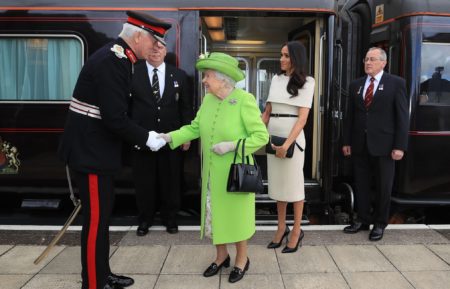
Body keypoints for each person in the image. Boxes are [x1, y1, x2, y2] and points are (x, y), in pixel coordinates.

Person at [58, 11, 171, 289]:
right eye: (153, 41)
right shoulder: (114, 60)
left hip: (97, 152)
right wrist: (147, 138)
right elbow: (114, 117)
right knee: (96, 223)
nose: (157, 47)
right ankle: (94, 283)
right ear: (137, 36)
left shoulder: (121, 58)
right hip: (92, 155)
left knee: (102, 220)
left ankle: (102, 274)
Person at [158, 52, 268, 283]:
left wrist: (231, 146)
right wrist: (169, 137)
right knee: (214, 216)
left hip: (235, 175)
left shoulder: (244, 100)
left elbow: (261, 137)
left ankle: (242, 260)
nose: (204, 81)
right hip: (210, 173)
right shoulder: (208, 100)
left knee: (237, 218)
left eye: (207, 76)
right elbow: (195, 127)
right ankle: (221, 257)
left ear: (222, 78)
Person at [342, 47, 409, 241]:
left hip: (386, 146)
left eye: (372, 59)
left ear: (383, 63)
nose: (368, 63)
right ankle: (362, 219)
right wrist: (346, 141)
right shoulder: (356, 84)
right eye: (366, 59)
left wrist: (400, 146)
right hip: (359, 144)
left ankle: (380, 223)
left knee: (383, 186)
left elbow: (402, 118)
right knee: (361, 183)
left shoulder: (396, 84)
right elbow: (350, 117)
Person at [130, 42, 193, 236]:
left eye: (160, 48)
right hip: (142, 138)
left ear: (166, 51)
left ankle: (170, 218)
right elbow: (127, 107)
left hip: (171, 138)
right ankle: (145, 220)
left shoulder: (179, 76)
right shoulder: (133, 74)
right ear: (145, 51)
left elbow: (185, 107)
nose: (156, 50)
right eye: (152, 47)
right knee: (144, 182)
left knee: (171, 180)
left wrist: (186, 135)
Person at [261, 41, 314, 253]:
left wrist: (287, 144)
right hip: (274, 138)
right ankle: (281, 227)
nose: (281, 59)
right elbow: (266, 113)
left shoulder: (307, 82)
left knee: (294, 187)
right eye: (281, 55)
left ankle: (296, 231)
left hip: (292, 141)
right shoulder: (275, 79)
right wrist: (259, 135)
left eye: (286, 55)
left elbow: (302, 119)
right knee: (278, 187)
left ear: (296, 58)